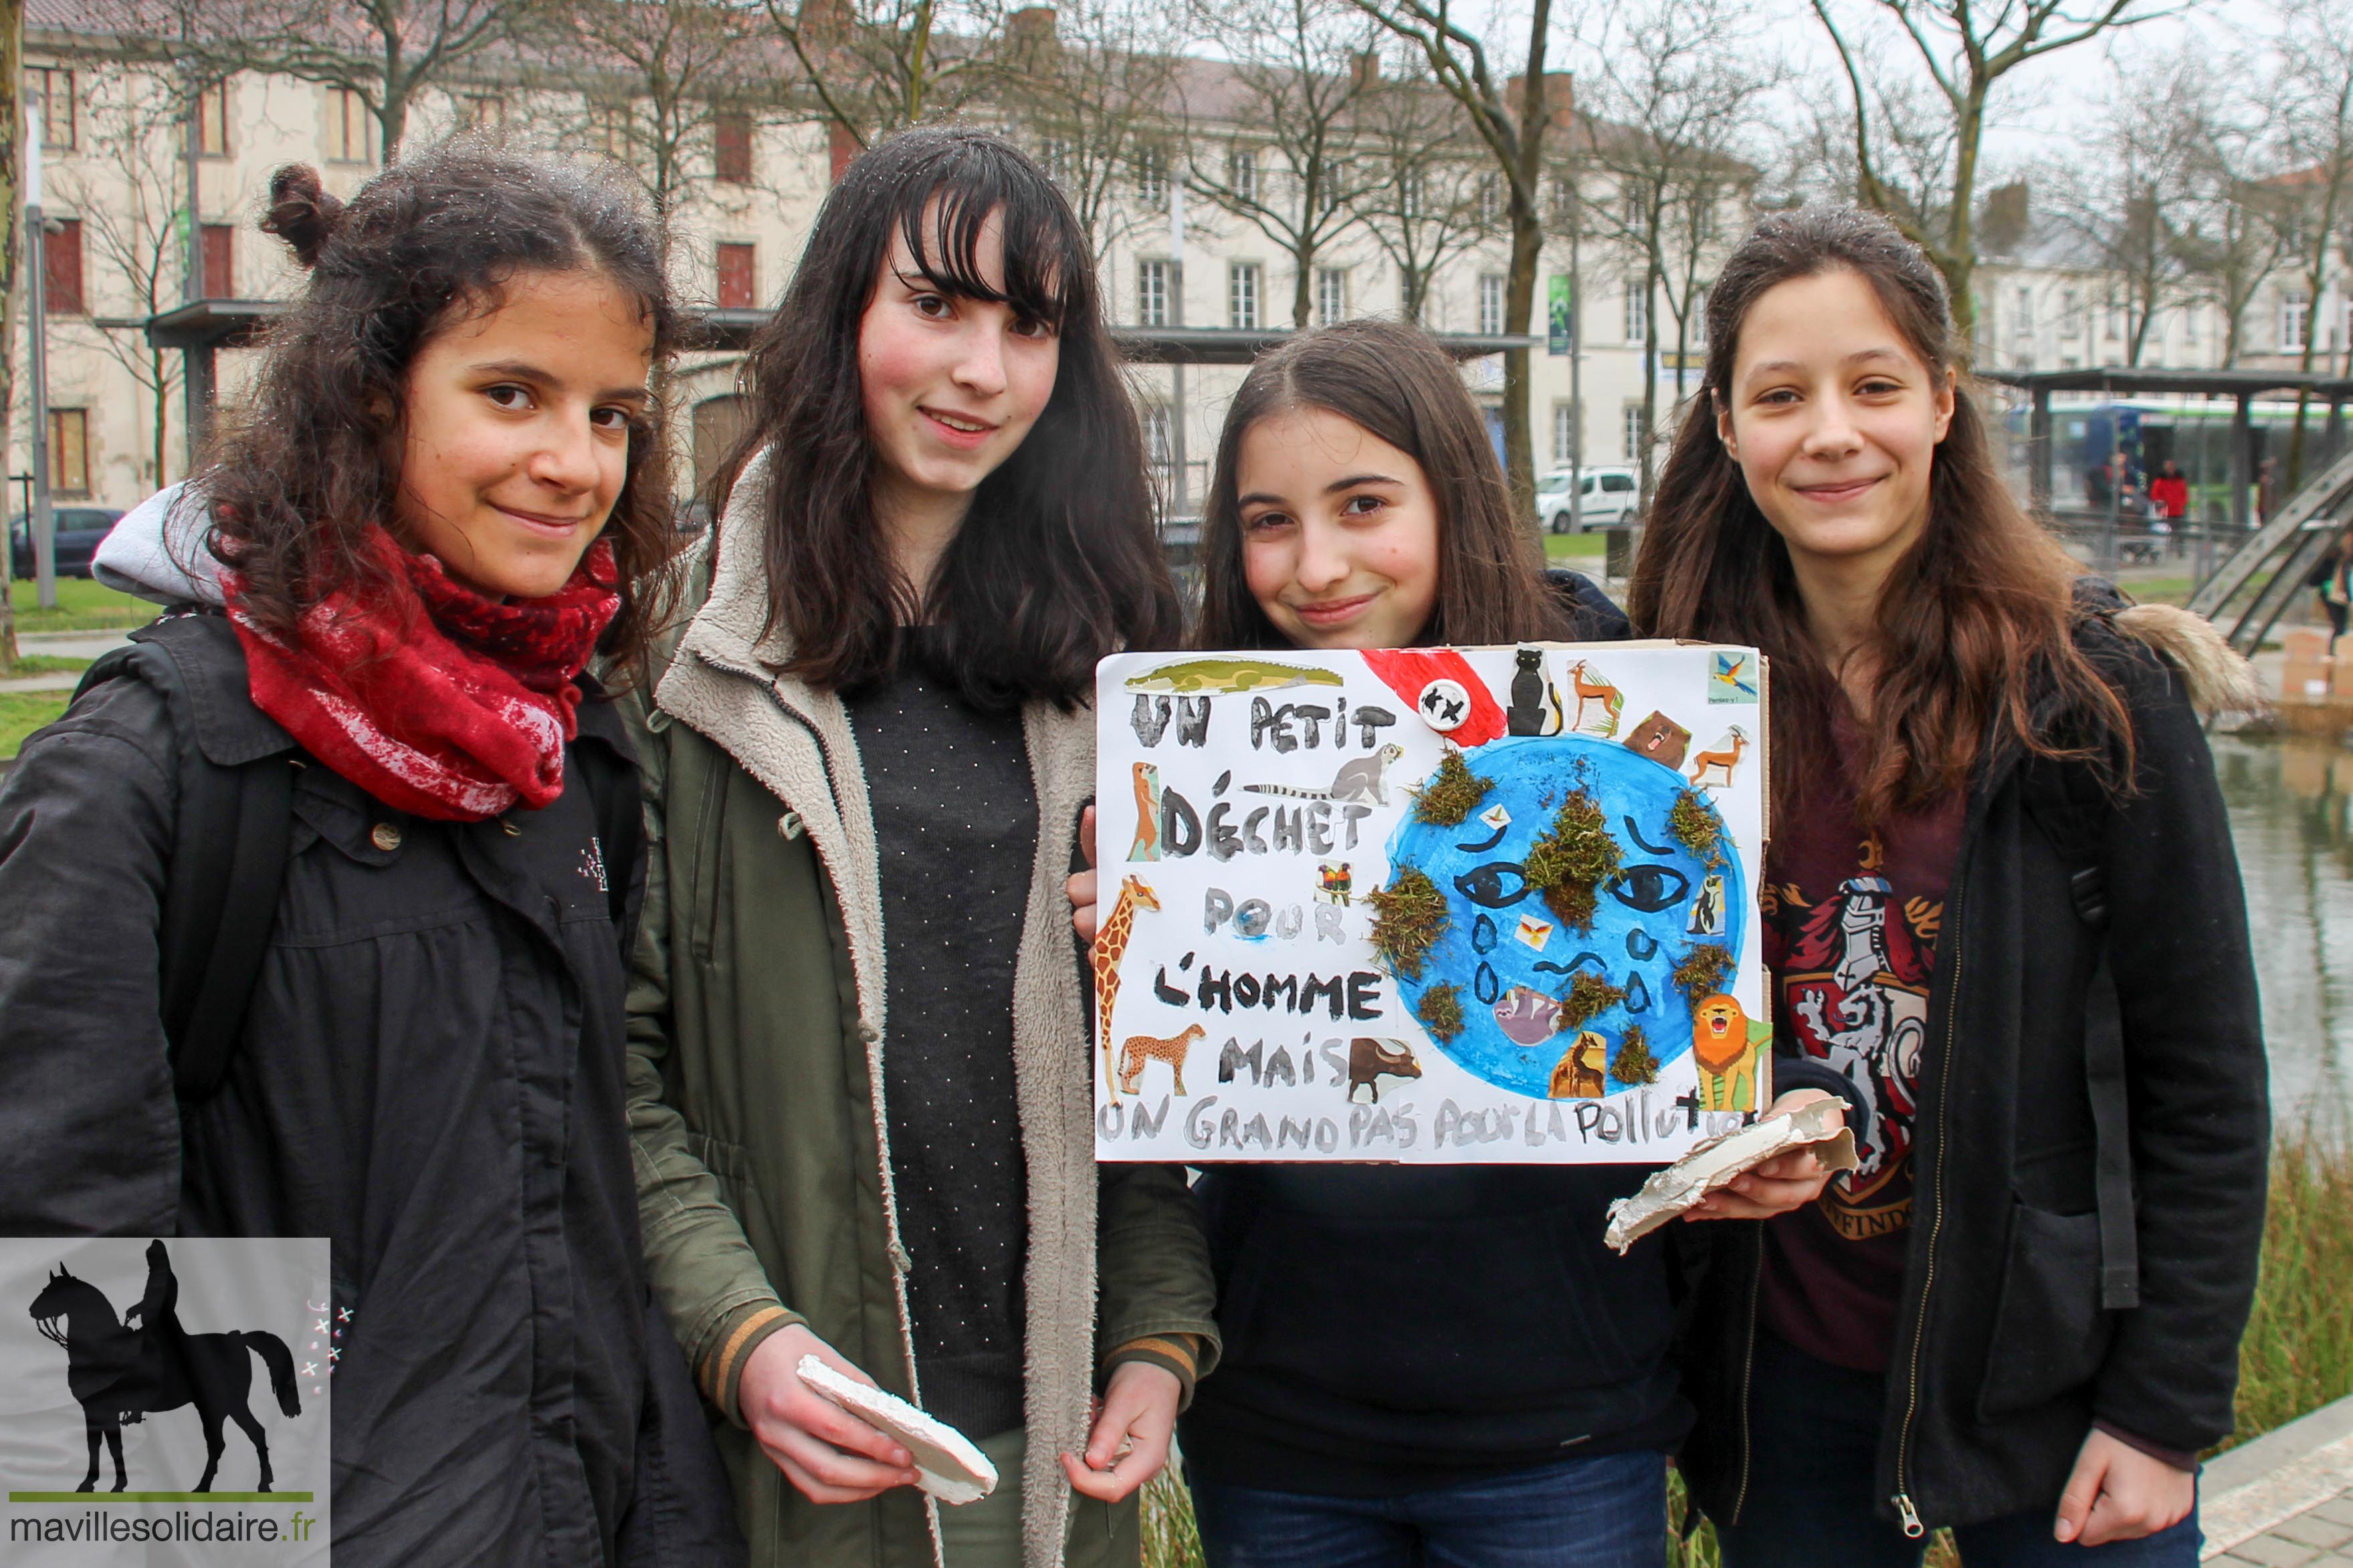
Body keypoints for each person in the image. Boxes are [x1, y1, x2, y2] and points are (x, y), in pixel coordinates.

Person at [0, 148, 740, 1563]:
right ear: (364, 395)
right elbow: (68, 1276)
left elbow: (582, 1215)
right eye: (511, 394)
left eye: (612, 415)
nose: (572, 462)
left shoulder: (567, 747)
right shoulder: (157, 767)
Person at [1068, 319, 1843, 1568]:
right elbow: (1135, 1117)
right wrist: (1116, 955)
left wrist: (1785, 1116)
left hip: (1561, 1425)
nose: (1314, 563)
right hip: (1278, 1428)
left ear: (1454, 493)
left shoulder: (1620, 709)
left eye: (1362, 503)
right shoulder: (1188, 747)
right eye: (1269, 520)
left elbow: (1727, 1003)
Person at [1631, 205, 2267, 1565]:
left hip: (2049, 1392)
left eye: (1872, 386)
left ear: (1941, 403)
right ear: (1726, 424)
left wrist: (2165, 1417)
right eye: (1780, 395)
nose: (1830, 434)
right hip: (1782, 1390)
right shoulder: (1666, 709)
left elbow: (2205, 1089)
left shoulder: (2092, 701)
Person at [619, 125, 1217, 1568]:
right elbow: (613, 1066)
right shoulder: (676, 657)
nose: (981, 372)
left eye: (1030, 325)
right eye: (936, 305)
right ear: (840, 315)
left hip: (1056, 1443)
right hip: (789, 1444)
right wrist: (742, 1340)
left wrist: (1152, 1333)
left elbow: (1164, 1073)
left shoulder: (1117, 671)